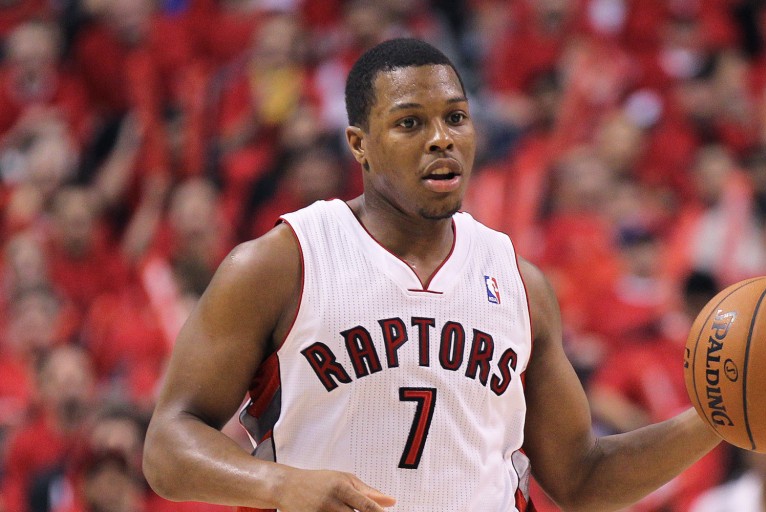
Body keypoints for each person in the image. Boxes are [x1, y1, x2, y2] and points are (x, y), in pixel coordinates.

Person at [142, 38, 721, 511]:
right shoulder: (283, 261)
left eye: (455, 117)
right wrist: (277, 484)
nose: (441, 138)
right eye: (410, 122)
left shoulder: (518, 282)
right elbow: (168, 446)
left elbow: (582, 478)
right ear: (360, 145)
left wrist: (719, 419)